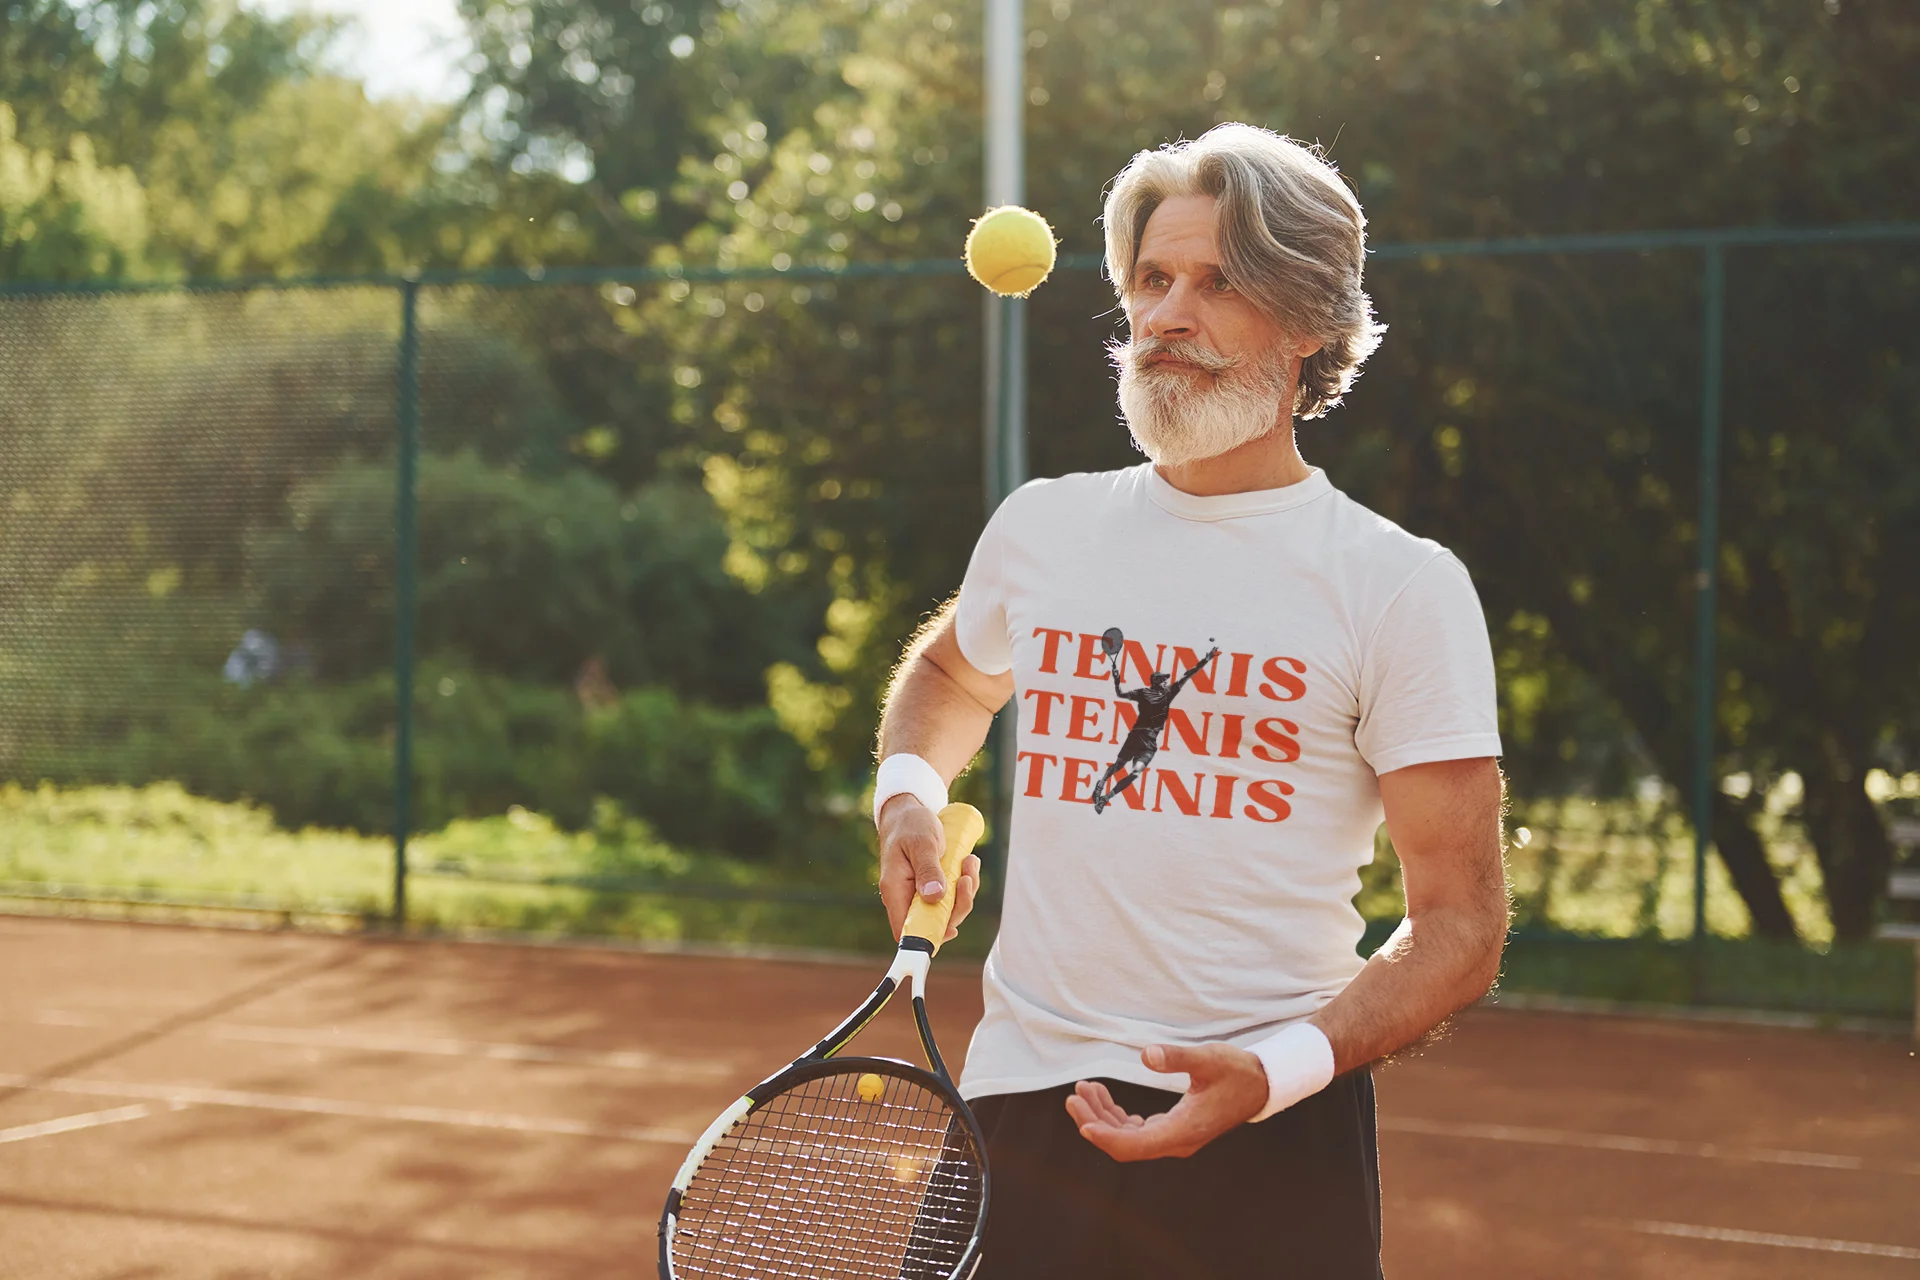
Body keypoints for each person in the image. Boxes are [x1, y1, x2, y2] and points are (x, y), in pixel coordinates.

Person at [871, 123, 1508, 1277]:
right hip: (1022, 1115)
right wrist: (909, 792)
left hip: (1274, 1139)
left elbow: (1460, 923)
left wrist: (1280, 1068)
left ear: (1311, 321)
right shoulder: (1045, 525)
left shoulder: (1401, 586)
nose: (1168, 314)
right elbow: (952, 673)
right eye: (1152, 280)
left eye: (1219, 284)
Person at [1090, 639, 1219, 813]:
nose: (1167, 681)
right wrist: (1116, 679)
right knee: (1118, 766)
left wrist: (1206, 660)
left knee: (1135, 773)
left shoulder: (1168, 692)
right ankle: (1102, 782)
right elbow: (1120, 693)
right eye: (1164, 679)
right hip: (1137, 736)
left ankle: (1105, 798)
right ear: (1156, 681)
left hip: (1150, 743)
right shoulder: (1143, 692)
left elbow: (1188, 674)